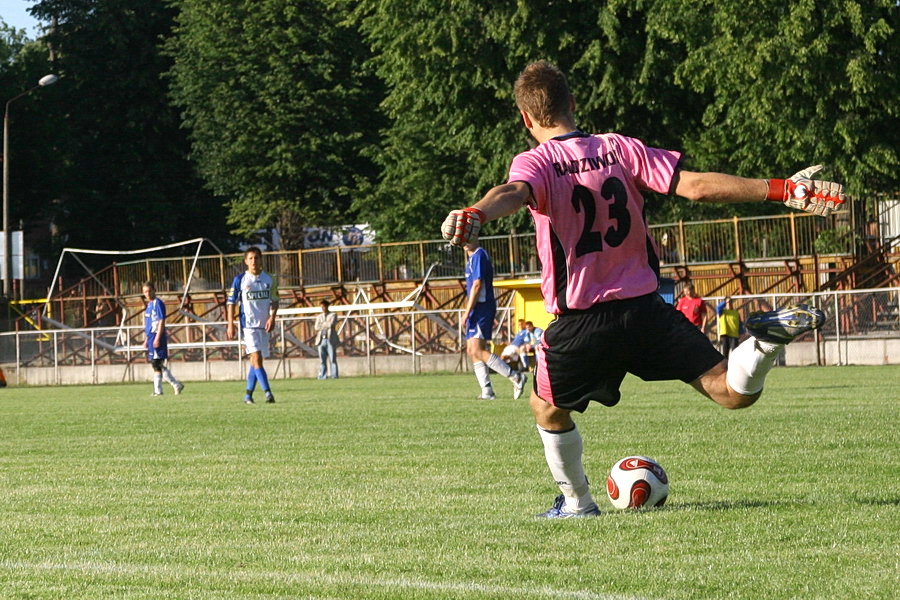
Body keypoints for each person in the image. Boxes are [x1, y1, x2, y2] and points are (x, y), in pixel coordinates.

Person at [441, 60, 844, 518]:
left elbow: (511, 192)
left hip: (583, 320)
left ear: (526, 119)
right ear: (574, 104)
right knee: (732, 392)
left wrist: (476, 211)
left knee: (546, 409)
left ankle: (577, 503)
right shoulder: (620, 148)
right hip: (648, 310)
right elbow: (695, 188)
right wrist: (782, 188)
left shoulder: (536, 162)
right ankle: (764, 344)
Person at [462, 240, 528, 401]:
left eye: (467, 235)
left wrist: (467, 312)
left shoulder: (479, 255)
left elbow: (477, 285)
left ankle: (516, 376)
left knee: (477, 349)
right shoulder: (471, 259)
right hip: (477, 309)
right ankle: (487, 391)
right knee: (472, 350)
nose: (464, 240)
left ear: (475, 235)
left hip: (482, 308)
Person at [226, 246, 278, 404]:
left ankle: (248, 395)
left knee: (256, 361)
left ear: (261, 260)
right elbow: (231, 303)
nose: (254, 261)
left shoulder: (270, 279)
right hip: (248, 325)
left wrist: (272, 317)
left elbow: (275, 301)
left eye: (256, 258)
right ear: (245, 261)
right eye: (251, 258)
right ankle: (268, 393)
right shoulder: (240, 279)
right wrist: (230, 324)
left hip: (264, 325)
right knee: (256, 358)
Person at [142, 282, 184, 397]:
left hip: (157, 336)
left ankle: (168, 387)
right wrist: (146, 339)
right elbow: (150, 324)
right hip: (151, 337)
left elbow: (161, 321)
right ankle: (167, 388)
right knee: (156, 364)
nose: (147, 293)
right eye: (145, 292)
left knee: (157, 363)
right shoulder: (149, 306)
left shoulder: (158, 303)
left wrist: (158, 337)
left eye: (149, 291)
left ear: (154, 290)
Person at [314, 299, 339, 379]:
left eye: (324, 306)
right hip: (321, 340)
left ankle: (334, 375)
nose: (323, 308)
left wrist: (323, 324)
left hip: (330, 339)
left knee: (332, 359)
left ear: (327, 306)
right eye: (321, 307)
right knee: (322, 360)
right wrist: (325, 324)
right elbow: (316, 327)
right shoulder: (319, 316)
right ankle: (323, 376)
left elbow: (331, 324)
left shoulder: (333, 315)